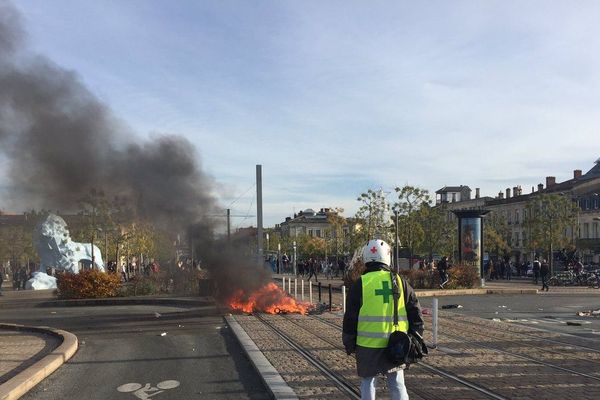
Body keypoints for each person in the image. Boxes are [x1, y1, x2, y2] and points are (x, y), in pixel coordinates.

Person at [343, 239, 424, 400]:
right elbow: (415, 311)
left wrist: (349, 342)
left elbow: (350, 318)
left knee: (368, 383)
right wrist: (416, 336)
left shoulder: (360, 284)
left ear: (366, 258)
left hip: (367, 345)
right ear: (388, 257)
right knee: (397, 383)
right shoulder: (401, 282)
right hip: (396, 343)